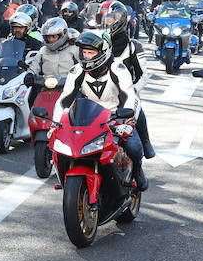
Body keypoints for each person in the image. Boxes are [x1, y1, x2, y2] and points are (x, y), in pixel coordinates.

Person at [54, 30, 147, 191]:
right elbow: (64, 99)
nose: (86, 56)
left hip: (117, 118)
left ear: (103, 51)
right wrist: (55, 124)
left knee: (134, 147)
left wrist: (128, 123)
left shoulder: (118, 68)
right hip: (87, 119)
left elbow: (131, 96)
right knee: (61, 150)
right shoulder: (76, 71)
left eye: (91, 52)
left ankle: (137, 172)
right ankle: (66, 181)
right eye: (84, 52)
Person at [98, 0, 155, 158]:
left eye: (112, 18)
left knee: (134, 145)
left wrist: (132, 90)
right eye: (105, 18)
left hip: (126, 95)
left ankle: (146, 143)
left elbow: (143, 75)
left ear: (121, 20)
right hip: (98, 93)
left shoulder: (134, 46)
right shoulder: (95, 45)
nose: (107, 21)